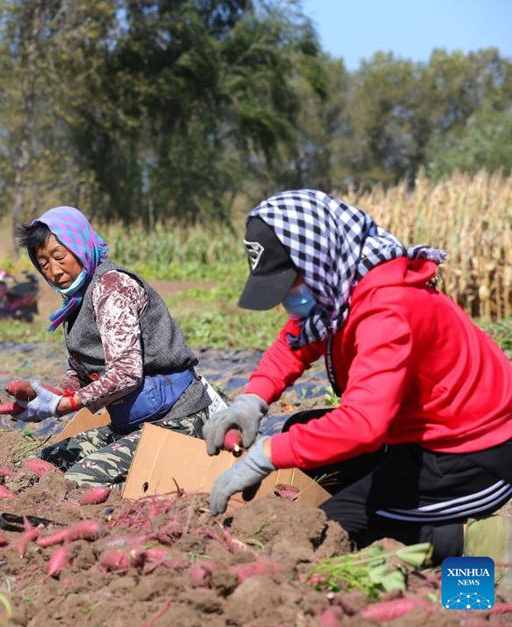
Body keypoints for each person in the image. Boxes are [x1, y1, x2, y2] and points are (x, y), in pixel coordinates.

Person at [204, 189, 512, 564]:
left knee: (331, 531)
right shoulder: (344, 285)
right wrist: (251, 400)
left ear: (316, 257)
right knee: (301, 430)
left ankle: (473, 538)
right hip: (413, 433)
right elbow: (296, 341)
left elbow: (363, 424)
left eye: (292, 283)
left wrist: (265, 456)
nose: (290, 298)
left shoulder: (387, 308)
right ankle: (387, 490)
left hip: (470, 454)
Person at [0, 206, 215, 487]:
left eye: (59, 256)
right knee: (35, 469)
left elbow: (125, 373)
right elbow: (83, 372)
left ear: (80, 247)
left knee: (76, 483)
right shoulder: (77, 299)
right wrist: (51, 395)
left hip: (177, 420)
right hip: (132, 423)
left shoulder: (112, 288)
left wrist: (64, 405)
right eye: (44, 263)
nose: (54, 270)